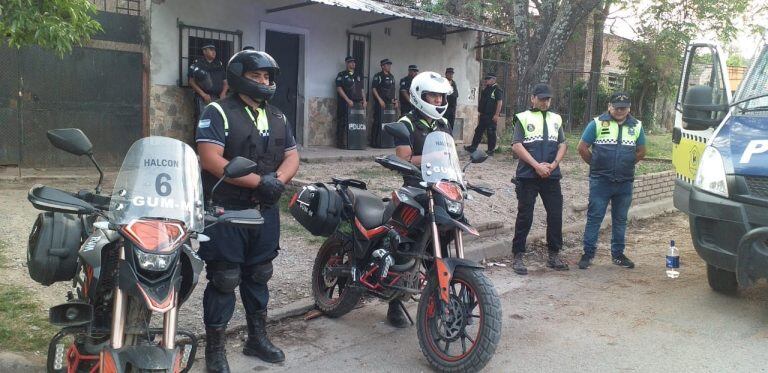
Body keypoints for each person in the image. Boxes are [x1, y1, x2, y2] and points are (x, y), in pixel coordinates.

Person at [195, 50, 300, 372]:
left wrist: (277, 181)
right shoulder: (217, 112)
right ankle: (215, 350)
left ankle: (256, 339)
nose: (264, 82)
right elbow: (210, 158)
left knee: (259, 275)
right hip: (226, 211)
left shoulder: (279, 116)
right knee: (224, 279)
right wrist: (258, 183)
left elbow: (292, 156)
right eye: (256, 76)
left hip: (265, 211)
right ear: (240, 76)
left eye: (267, 77)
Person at [391, 71, 453, 326]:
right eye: (433, 96)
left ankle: (441, 301)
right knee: (405, 246)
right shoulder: (405, 124)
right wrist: (432, 158)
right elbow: (402, 159)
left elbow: (451, 156)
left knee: (440, 246)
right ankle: (394, 304)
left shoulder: (443, 124)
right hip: (415, 190)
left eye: (440, 96)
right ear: (420, 96)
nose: (438, 101)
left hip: (441, 189)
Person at [576, 92, 646, 270]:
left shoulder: (636, 126)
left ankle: (618, 255)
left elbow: (641, 151)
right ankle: (588, 254)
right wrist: (596, 164)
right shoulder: (597, 123)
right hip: (601, 181)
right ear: (609, 106)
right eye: (616, 107)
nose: (620, 110)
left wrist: (627, 164)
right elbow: (582, 147)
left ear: (629, 108)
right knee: (595, 218)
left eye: (624, 108)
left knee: (620, 219)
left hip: (624, 182)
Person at [509, 83, 569, 275]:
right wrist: (537, 166)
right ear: (532, 98)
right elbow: (517, 145)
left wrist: (554, 164)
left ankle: (554, 254)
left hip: (551, 175)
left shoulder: (556, 119)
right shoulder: (523, 118)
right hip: (528, 176)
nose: (545, 102)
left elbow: (563, 144)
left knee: (555, 215)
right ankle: (518, 255)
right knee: (525, 216)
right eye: (542, 99)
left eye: (548, 99)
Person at [465, 73, 503, 156]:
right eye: (486, 79)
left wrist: (496, 115)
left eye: (488, 79)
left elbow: (499, 103)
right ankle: (473, 147)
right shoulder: (487, 88)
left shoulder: (497, 89)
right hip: (484, 115)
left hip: (491, 116)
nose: (486, 80)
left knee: (491, 133)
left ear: (493, 80)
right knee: (478, 131)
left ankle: (490, 150)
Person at [190, 44, 228, 121]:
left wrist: (223, 93)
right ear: (204, 51)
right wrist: (203, 94)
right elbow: (191, 82)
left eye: (214, 50)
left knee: (218, 120)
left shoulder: (219, 64)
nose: (214, 52)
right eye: (211, 49)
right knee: (203, 120)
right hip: (204, 98)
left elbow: (225, 82)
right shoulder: (198, 64)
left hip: (218, 98)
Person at [335, 56, 366, 148]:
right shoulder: (341, 75)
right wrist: (347, 99)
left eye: (354, 62)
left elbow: (362, 89)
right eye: (351, 62)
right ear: (347, 63)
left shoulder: (358, 75)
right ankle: (341, 143)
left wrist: (364, 100)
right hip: (345, 102)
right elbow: (339, 88)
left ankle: (356, 142)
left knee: (357, 124)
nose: (353, 64)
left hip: (357, 103)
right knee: (343, 122)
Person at [371, 58, 398, 147]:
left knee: (388, 123)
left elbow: (393, 90)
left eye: (390, 65)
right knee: (378, 122)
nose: (389, 66)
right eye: (387, 65)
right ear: (382, 66)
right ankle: (374, 142)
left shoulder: (391, 76)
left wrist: (395, 100)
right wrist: (379, 100)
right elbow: (374, 89)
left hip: (389, 104)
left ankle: (387, 142)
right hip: (380, 103)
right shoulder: (378, 76)